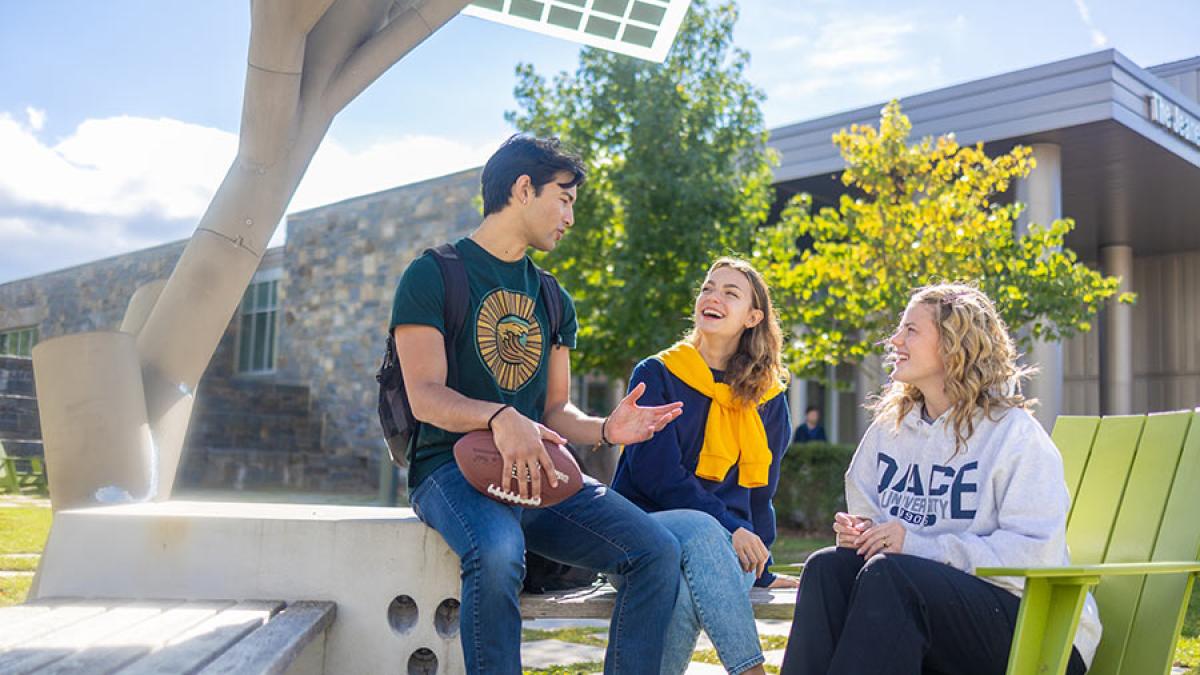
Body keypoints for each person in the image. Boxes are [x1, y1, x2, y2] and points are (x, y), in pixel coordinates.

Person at [390, 135, 687, 674]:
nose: (570, 217)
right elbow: (425, 396)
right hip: (448, 470)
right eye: (565, 197)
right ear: (523, 189)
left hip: (541, 477)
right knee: (500, 552)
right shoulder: (432, 274)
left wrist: (604, 429)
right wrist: (500, 417)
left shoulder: (553, 297)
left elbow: (555, 412)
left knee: (657, 551)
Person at [778, 282, 1101, 675]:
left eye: (910, 330)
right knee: (826, 569)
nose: (893, 339)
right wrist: (864, 533)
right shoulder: (891, 430)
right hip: (922, 610)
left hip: (1036, 630)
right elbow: (876, 527)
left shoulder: (1013, 434)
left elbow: (1035, 554)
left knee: (892, 577)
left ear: (954, 344)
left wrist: (916, 545)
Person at [613, 257, 798, 675]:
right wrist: (729, 528)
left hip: (727, 548)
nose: (712, 298)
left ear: (754, 317)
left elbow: (761, 492)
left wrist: (762, 567)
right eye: (708, 288)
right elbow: (655, 477)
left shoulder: (768, 397)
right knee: (704, 536)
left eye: (730, 293)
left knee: (685, 591)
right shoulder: (658, 373)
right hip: (648, 529)